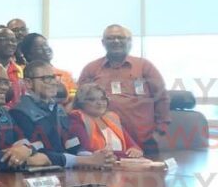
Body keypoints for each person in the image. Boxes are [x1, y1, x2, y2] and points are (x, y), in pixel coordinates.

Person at [78, 25, 170, 156]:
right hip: (105, 144)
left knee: (150, 175)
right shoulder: (91, 69)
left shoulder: (144, 66)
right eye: (110, 38)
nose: (116, 41)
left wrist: (159, 132)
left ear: (129, 41)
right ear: (103, 42)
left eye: (120, 37)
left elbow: (162, 98)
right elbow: (80, 101)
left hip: (145, 141)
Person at [11, 61, 115, 169]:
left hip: (63, 173)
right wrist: (85, 160)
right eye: (47, 78)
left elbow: (72, 143)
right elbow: (39, 155)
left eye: (55, 77)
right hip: (38, 178)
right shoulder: (19, 112)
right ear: (28, 83)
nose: (54, 82)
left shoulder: (58, 109)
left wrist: (95, 157)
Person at [69, 84, 143, 158]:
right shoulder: (76, 118)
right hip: (93, 168)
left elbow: (134, 146)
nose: (100, 103)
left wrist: (135, 150)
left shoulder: (112, 119)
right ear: (80, 102)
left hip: (120, 165)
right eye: (92, 99)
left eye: (103, 99)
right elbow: (84, 152)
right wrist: (123, 155)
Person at [20, 33, 76, 107]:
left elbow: (75, 99)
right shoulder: (21, 72)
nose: (45, 49)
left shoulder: (65, 74)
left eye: (46, 45)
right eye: (39, 48)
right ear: (29, 54)